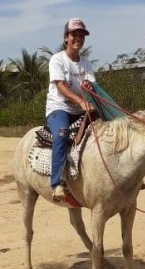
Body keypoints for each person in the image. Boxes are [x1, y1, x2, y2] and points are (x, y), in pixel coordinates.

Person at [45, 17, 96, 201]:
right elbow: (60, 86)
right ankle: (56, 184)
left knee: (112, 128)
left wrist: (91, 95)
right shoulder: (57, 60)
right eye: (74, 34)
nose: (78, 38)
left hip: (80, 109)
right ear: (66, 37)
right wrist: (81, 102)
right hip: (59, 109)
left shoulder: (86, 63)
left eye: (81, 35)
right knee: (61, 133)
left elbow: (91, 86)